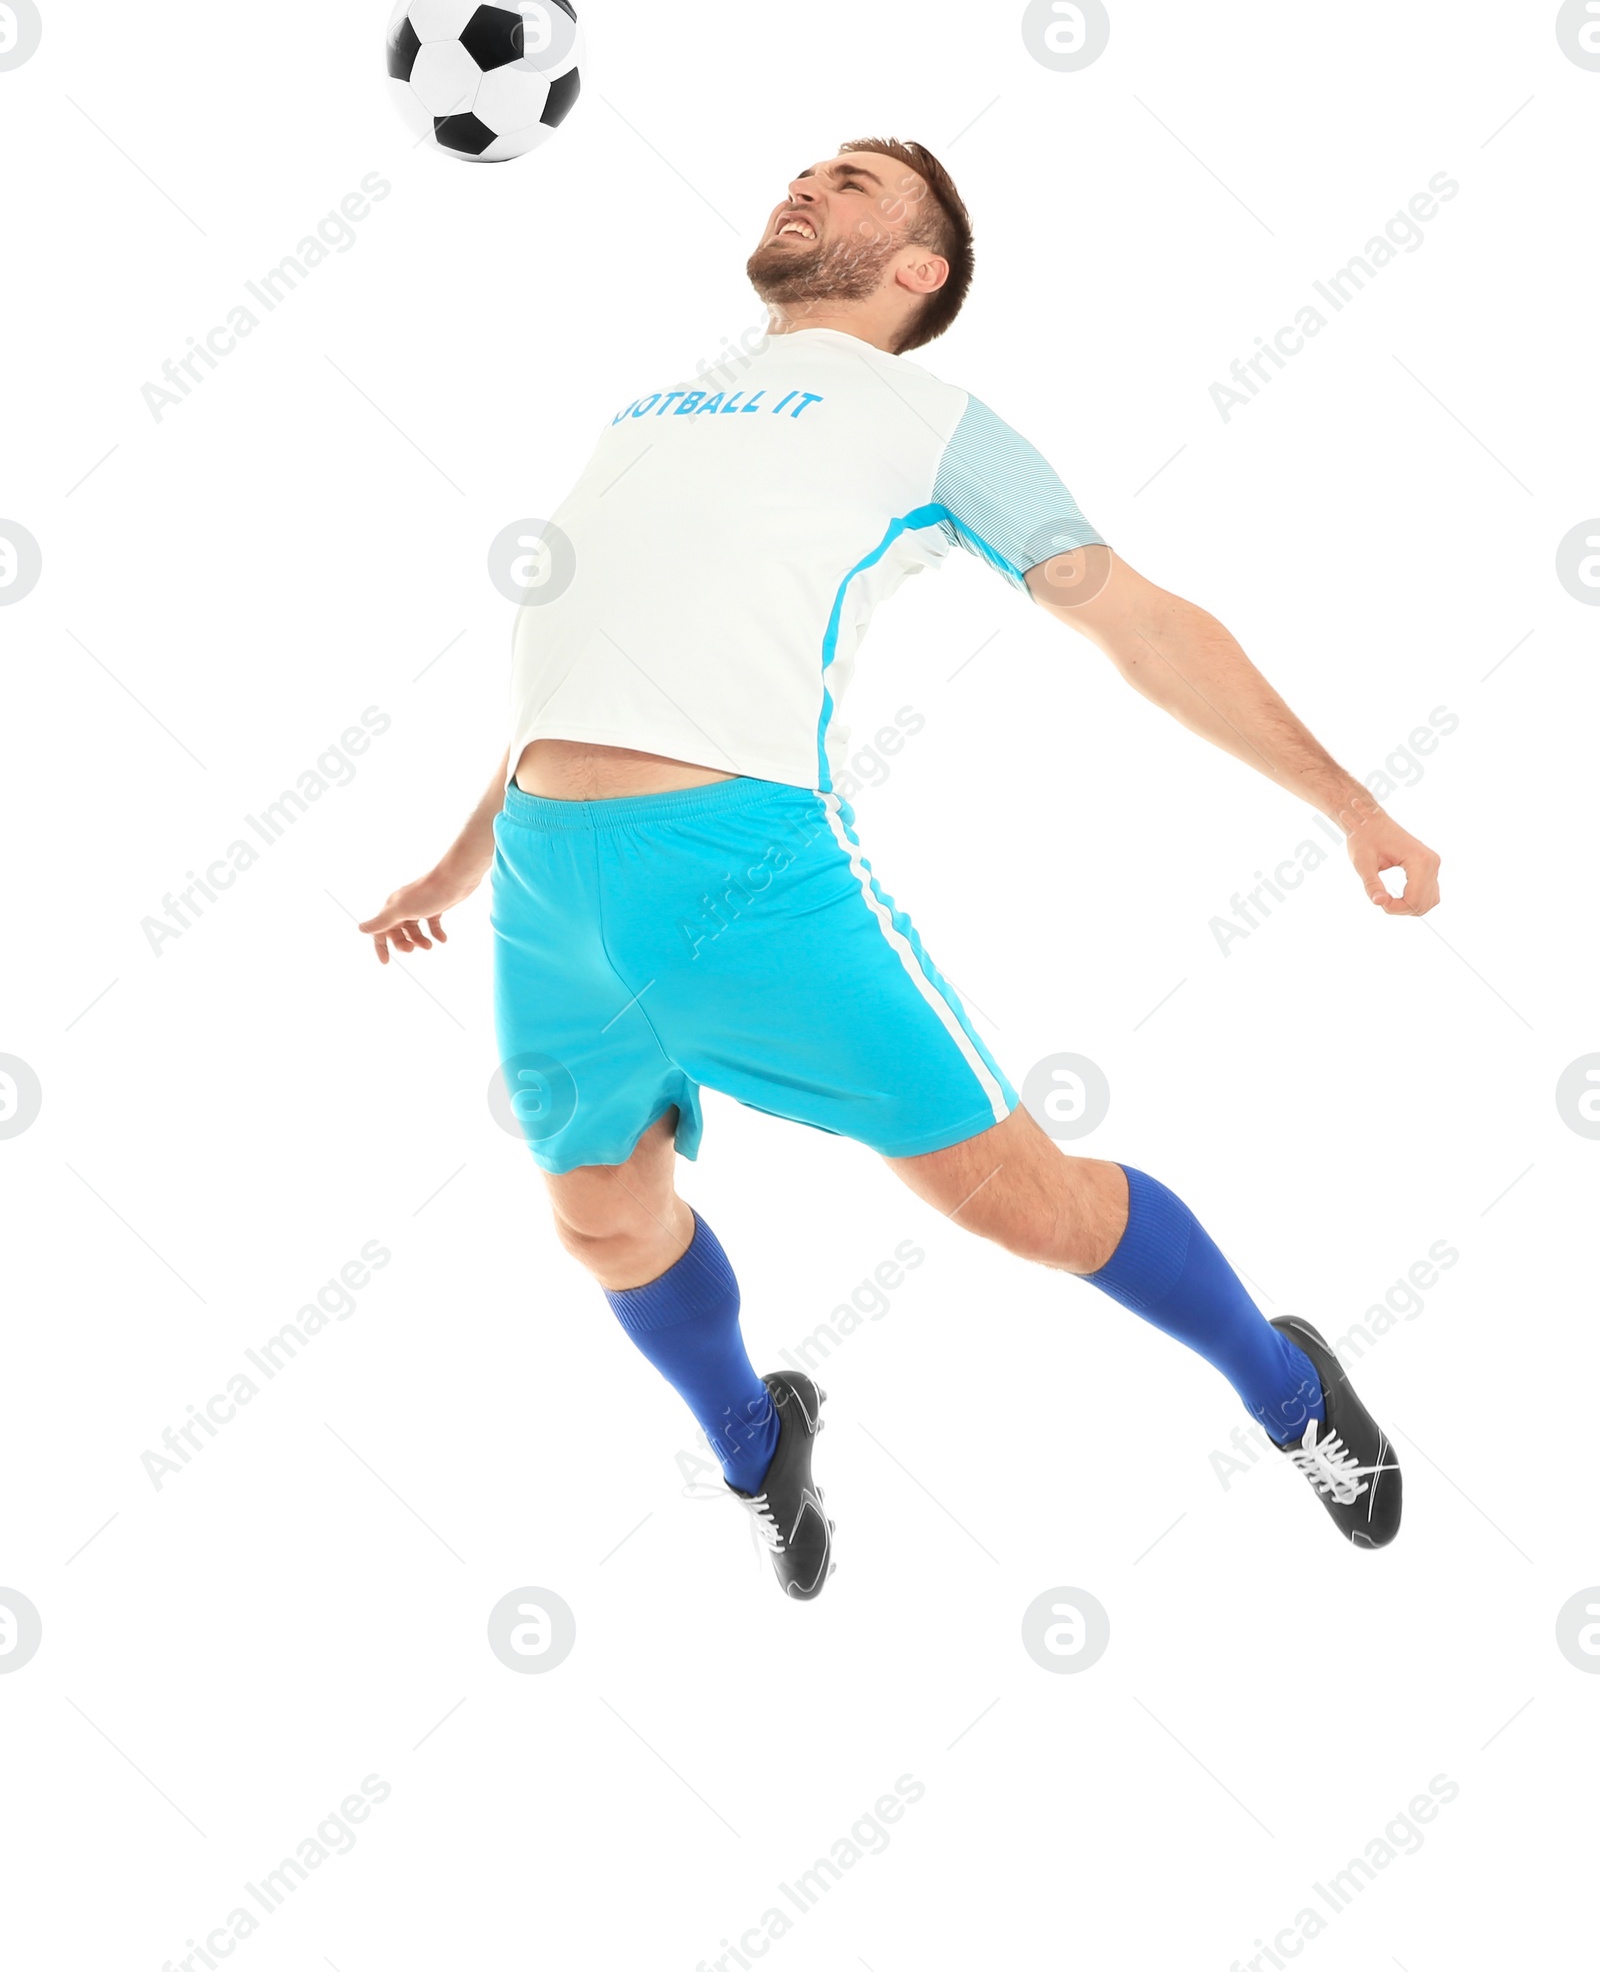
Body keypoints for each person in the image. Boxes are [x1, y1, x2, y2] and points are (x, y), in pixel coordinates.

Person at [361, 137, 1437, 1600]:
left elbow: (1142, 624)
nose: (805, 186)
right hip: (553, 888)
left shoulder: (931, 420)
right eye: (805, 170)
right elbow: (581, 666)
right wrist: (455, 863)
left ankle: (1289, 1388)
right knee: (602, 1216)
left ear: (920, 269)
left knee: (1024, 1208)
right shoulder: (650, 407)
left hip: (748, 876)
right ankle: (756, 1440)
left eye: (856, 183)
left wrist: (1352, 805)